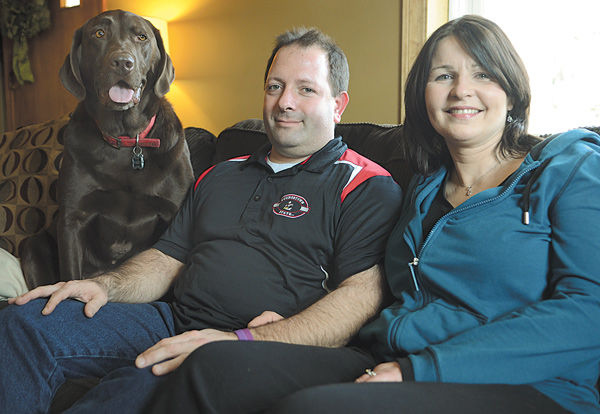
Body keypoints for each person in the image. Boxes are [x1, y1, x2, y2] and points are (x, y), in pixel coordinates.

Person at [145, 15, 600, 414]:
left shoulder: (570, 167)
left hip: (529, 384)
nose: (462, 89)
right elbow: (374, 286)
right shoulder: (421, 188)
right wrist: (290, 327)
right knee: (214, 364)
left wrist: (419, 371)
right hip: (387, 354)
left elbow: (587, 314)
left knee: (311, 408)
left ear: (511, 88)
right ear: (422, 94)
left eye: (481, 73)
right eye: (443, 76)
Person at [0, 27, 403, 413]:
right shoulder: (221, 174)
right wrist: (102, 286)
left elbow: (359, 299)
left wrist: (245, 338)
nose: (285, 103)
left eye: (306, 89)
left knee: (131, 390)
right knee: (24, 325)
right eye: (275, 86)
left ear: (338, 104)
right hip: (170, 318)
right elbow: (166, 259)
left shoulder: (365, 184)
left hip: (248, 342)